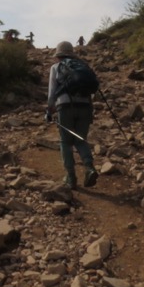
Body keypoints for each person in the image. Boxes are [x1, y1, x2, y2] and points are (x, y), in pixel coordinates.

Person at [45, 40, 98, 189]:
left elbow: (51, 93)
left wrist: (49, 110)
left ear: (58, 55)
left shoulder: (56, 67)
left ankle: (71, 177)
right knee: (81, 140)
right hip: (85, 107)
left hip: (65, 107)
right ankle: (90, 168)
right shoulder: (82, 67)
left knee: (65, 142)